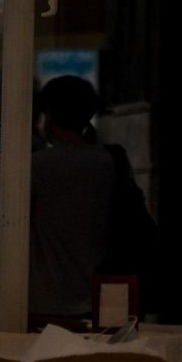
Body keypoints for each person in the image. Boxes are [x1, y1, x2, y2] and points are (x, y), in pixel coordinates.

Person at [28, 75, 121, 321]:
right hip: (98, 297)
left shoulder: (36, 166)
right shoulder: (107, 163)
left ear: (48, 116)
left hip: (42, 297)